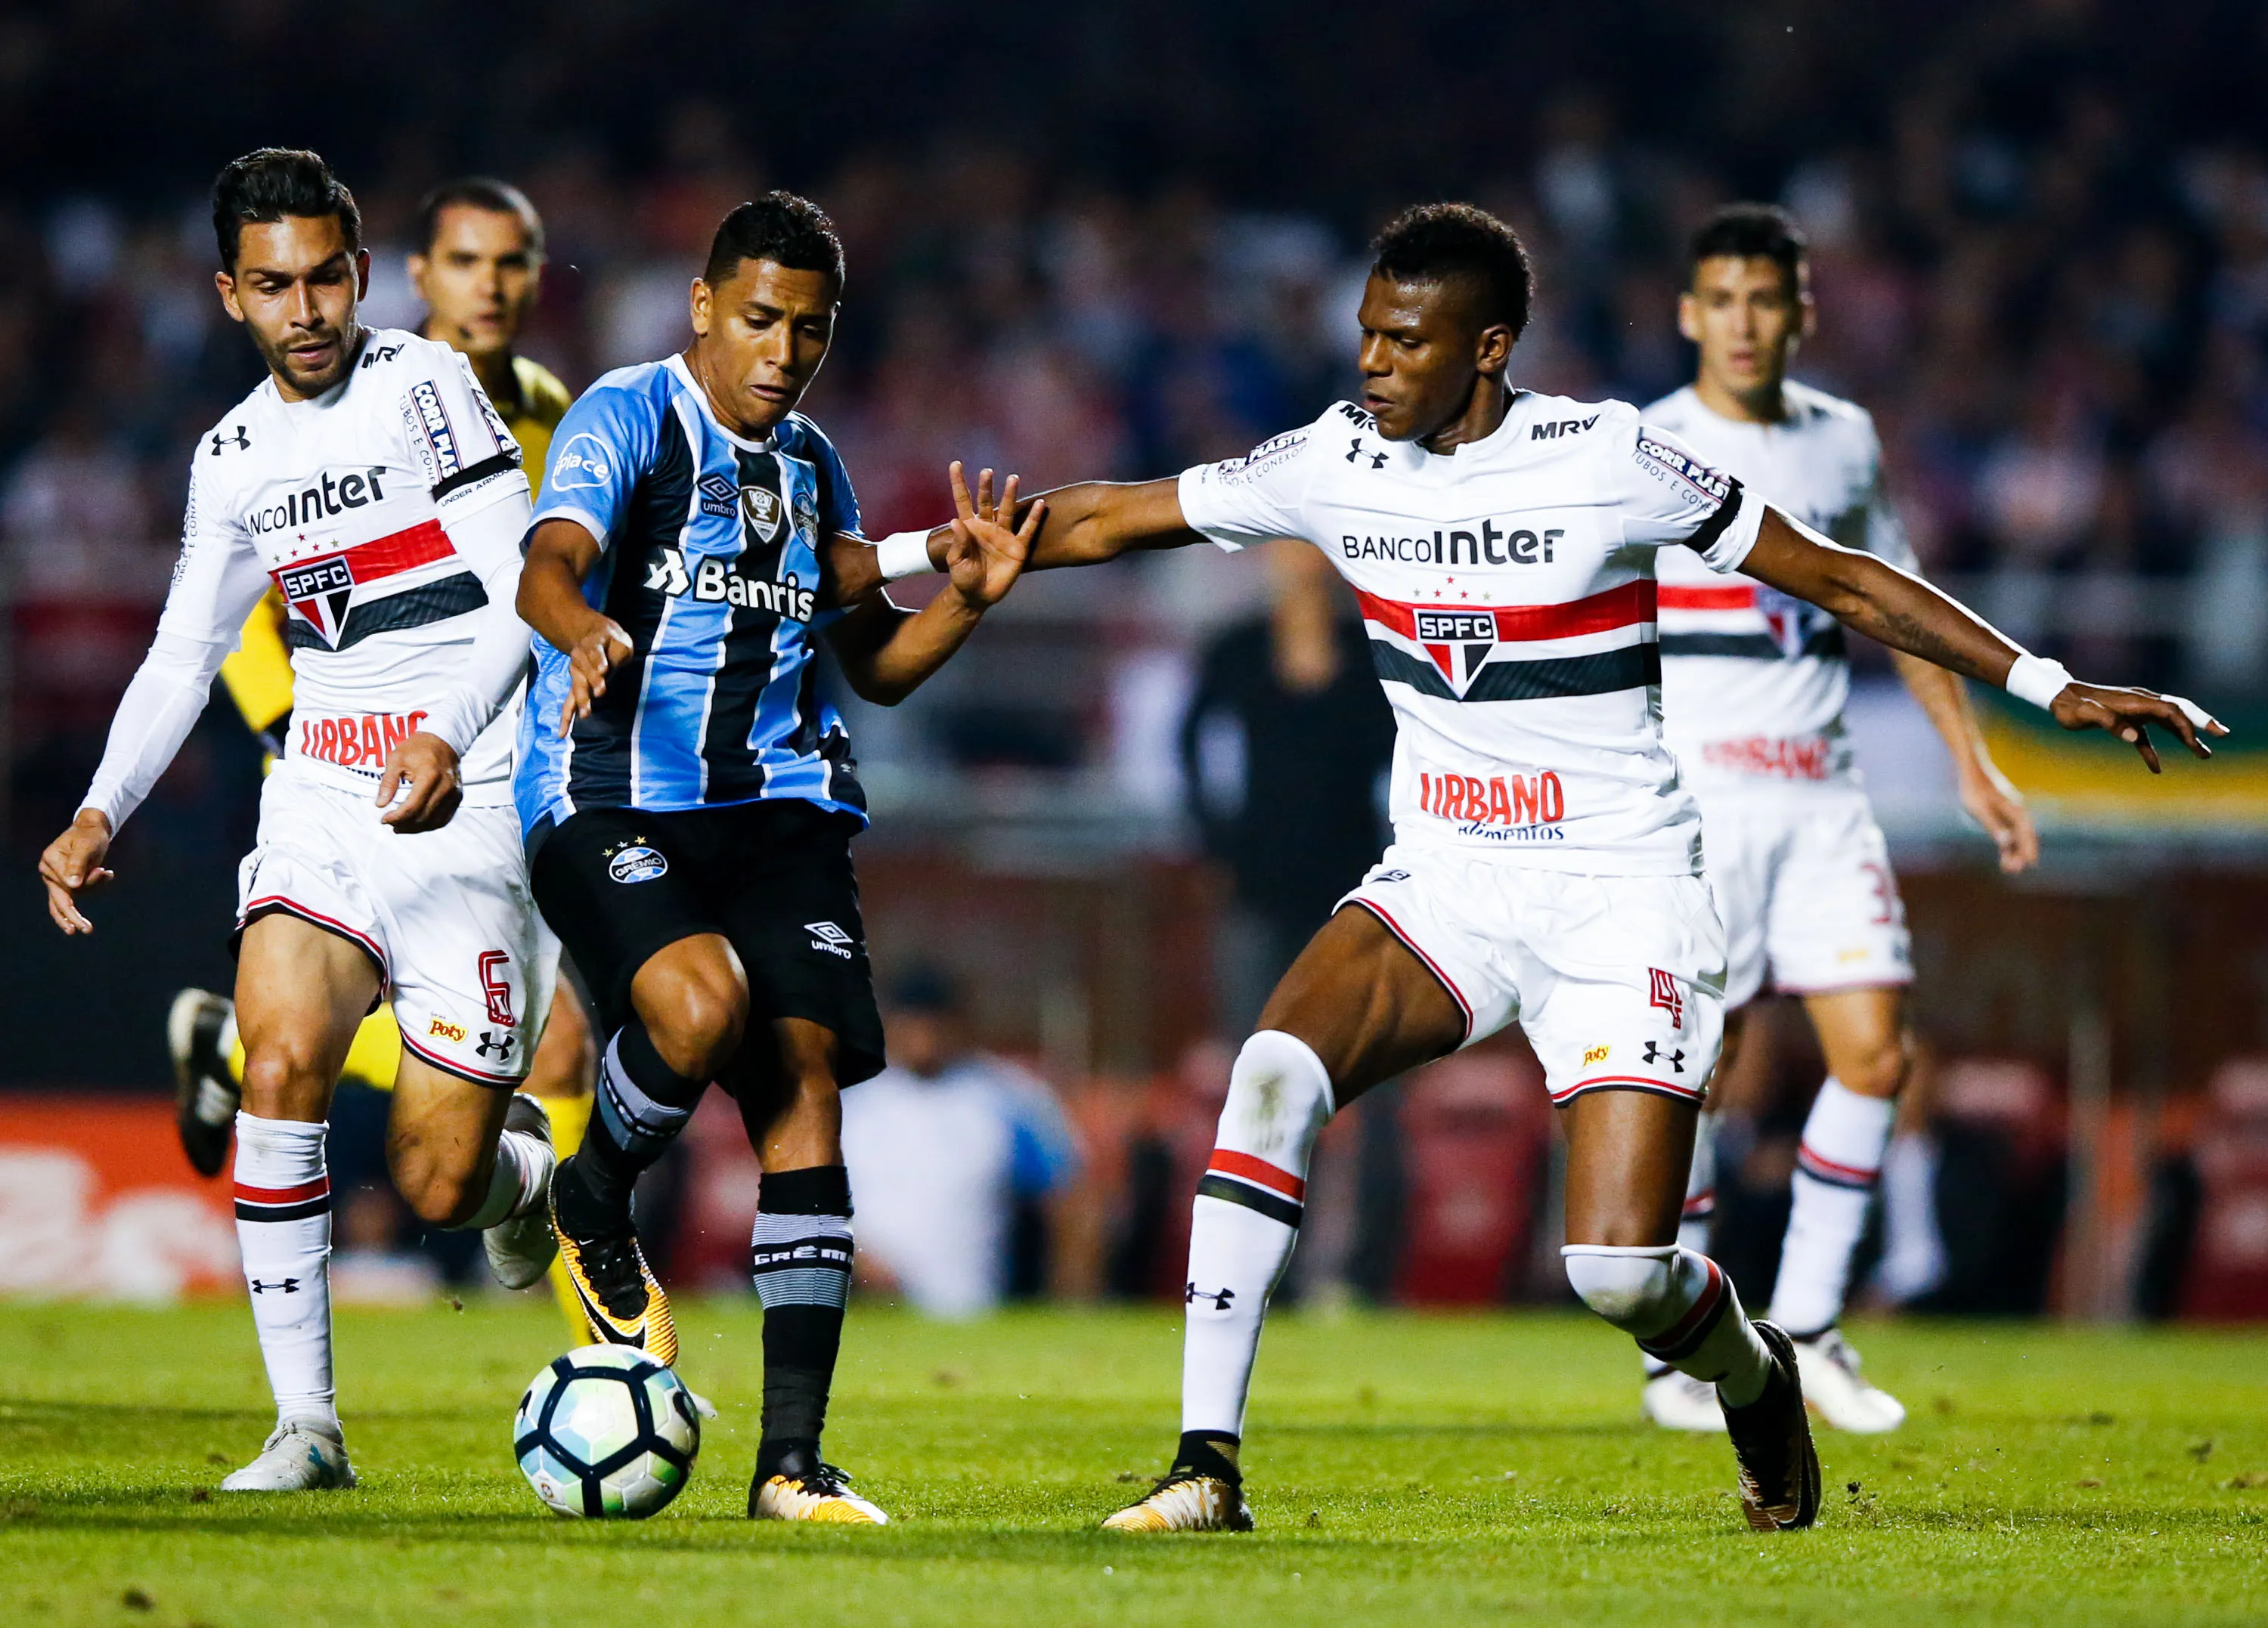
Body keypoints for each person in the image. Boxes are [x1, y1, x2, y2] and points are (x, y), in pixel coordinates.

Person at [854, 202, 2220, 1534]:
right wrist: (902, 557)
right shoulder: (1337, 456)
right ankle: (1206, 1466)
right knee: (1270, 1074)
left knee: (1619, 1270)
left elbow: (1842, 577)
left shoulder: (1608, 458)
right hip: (1448, 879)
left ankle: (1754, 1371)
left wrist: (2047, 682)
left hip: (1622, 895)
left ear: (1489, 347)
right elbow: (1113, 516)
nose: (1373, 362)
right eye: (1366, 333)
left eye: (1404, 340)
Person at [513, 192, 1041, 1524]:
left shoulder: (813, 467)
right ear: (703, 305)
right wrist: (581, 629)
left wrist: (965, 603)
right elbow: (548, 564)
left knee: (803, 1083)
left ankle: (790, 1464)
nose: (784, 350)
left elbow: (879, 667)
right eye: (759, 318)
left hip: (779, 810)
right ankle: (591, 1193)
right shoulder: (628, 416)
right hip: (611, 795)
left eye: (810, 328)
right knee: (699, 1007)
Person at [39, 149, 559, 1492]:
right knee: (276, 1065)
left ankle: (525, 1176)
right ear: (230, 294)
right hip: (325, 789)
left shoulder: (426, 387)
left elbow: (526, 585)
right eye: (273, 285)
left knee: (438, 1180)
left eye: (326, 278)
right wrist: (100, 805)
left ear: (363, 274)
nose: (307, 308)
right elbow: (184, 651)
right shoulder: (231, 457)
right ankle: (308, 1428)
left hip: (472, 795)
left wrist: (446, 732)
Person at [166, 176, 598, 1345]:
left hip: (501, 761)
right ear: (414, 276)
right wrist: (283, 727)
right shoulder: (357, 396)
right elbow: (254, 598)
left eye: (514, 261)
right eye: (466, 261)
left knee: (517, 1075)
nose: (492, 285)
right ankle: (612, 1344)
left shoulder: (552, 408)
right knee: (549, 1046)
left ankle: (225, 1042)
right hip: (345, 761)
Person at [1638, 203, 2040, 1435]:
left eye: (1766, 299)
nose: (1744, 322)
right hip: (1700, 801)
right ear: (1689, 313)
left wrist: (1972, 760)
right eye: (1724, 299)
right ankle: (1680, 1354)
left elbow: (1895, 601)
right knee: (1695, 1071)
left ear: (1800, 313)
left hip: (1820, 795)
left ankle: (1807, 1327)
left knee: (1876, 1055)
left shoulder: (1845, 441)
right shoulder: (1644, 444)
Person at [1179, 540, 1396, 1035]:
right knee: (1254, 1030)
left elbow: (1400, 753)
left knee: (1357, 1032)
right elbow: (1192, 746)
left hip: (1353, 871)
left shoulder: (1370, 653)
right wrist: (1212, 840)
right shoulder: (1237, 650)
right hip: (1258, 874)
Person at [839, 966, 1079, 1317]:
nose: (924, 1037)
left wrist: (1065, 1295)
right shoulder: (852, 1103)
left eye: (935, 1024)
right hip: (868, 1306)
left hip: (973, 1308)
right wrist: (858, 1258)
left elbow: (1066, 1199)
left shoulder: (1008, 1098)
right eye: (913, 1024)